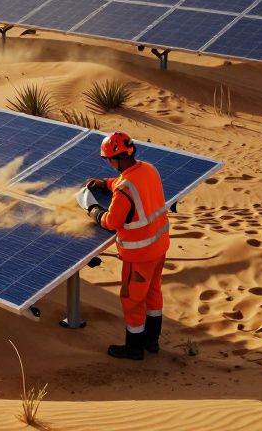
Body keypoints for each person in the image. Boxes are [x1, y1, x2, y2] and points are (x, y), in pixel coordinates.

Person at [76, 132, 169, 361]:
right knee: (153, 291)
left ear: (115, 159)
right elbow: (127, 182)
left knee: (132, 300)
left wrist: (92, 209)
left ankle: (134, 348)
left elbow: (111, 222)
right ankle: (152, 341)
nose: (109, 163)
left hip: (139, 255)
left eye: (109, 159)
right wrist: (105, 183)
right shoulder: (149, 169)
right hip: (159, 247)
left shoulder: (124, 190)